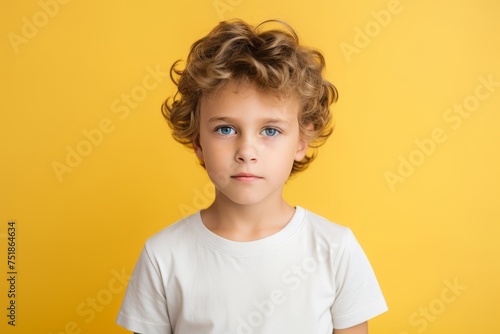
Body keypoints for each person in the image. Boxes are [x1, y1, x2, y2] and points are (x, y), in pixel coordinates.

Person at [116, 19, 387, 334]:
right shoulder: (163, 256)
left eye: (270, 130)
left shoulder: (334, 249)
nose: (247, 151)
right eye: (226, 129)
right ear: (198, 142)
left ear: (300, 142)